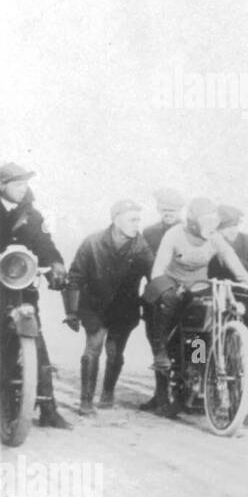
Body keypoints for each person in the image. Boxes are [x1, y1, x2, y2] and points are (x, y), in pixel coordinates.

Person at [146, 197, 248, 415]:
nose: (209, 227)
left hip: (198, 287)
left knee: (201, 331)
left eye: (212, 222)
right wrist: (166, 289)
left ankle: (196, 374)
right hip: (173, 286)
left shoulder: (214, 237)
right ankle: (161, 355)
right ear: (193, 221)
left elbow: (232, 261)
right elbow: (158, 269)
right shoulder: (175, 234)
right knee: (167, 311)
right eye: (205, 221)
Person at [62, 199, 154, 415]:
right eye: (132, 219)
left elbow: (153, 277)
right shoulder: (92, 243)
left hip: (124, 308)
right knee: (92, 350)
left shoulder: (142, 247)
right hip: (94, 306)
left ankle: (107, 393)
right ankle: (86, 401)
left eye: (138, 220)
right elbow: (75, 275)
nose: (136, 224)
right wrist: (71, 312)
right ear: (116, 219)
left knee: (114, 353)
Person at [0, 162, 70, 429]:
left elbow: (45, 245)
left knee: (36, 341)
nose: (23, 189)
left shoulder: (32, 215)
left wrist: (55, 264)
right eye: (17, 184)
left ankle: (48, 408)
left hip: (22, 289)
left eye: (26, 184)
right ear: (2, 185)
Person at [209, 205, 248, 422]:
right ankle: (208, 392)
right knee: (203, 339)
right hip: (222, 301)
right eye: (226, 227)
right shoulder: (210, 245)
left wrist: (233, 260)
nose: (232, 231)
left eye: (235, 225)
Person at [139, 187, 186, 412]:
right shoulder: (149, 233)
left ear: (181, 210)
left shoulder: (190, 232)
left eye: (173, 209)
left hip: (186, 299)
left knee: (195, 342)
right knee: (159, 347)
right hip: (158, 298)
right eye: (165, 209)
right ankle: (161, 395)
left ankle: (186, 395)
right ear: (158, 208)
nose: (169, 213)